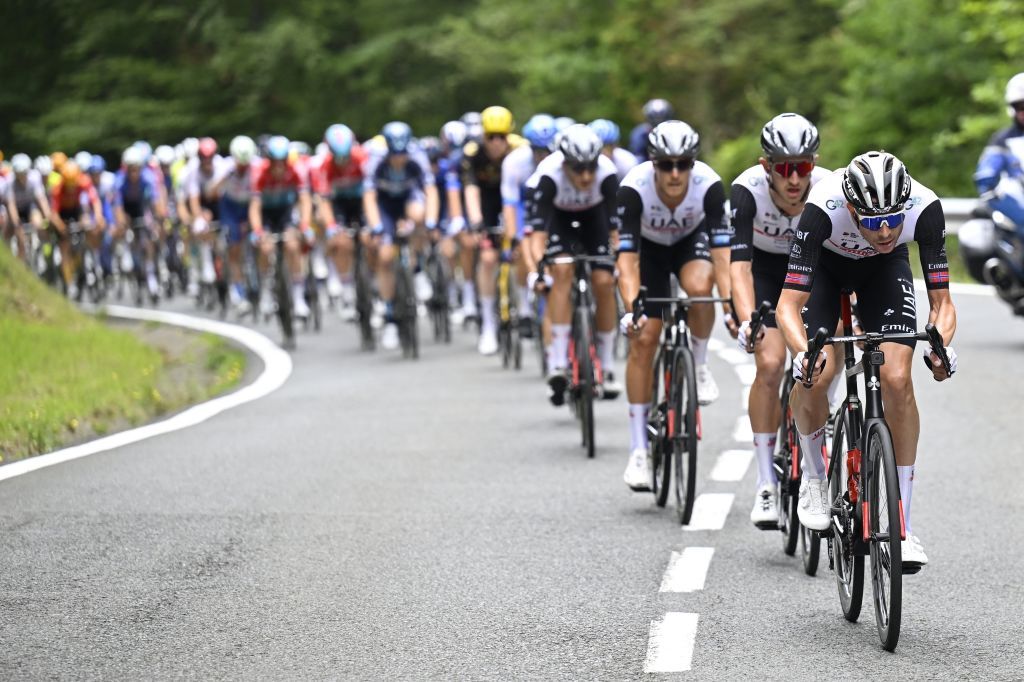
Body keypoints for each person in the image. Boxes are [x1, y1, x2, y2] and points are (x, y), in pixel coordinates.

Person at [776, 150, 958, 569]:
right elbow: (788, 306)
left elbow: (942, 303)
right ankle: (815, 481)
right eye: (874, 222)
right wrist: (803, 354)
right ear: (853, 208)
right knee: (815, 377)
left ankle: (903, 528)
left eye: (894, 219)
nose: (886, 230)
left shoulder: (925, 208)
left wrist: (942, 345)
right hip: (824, 270)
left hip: (882, 272)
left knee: (897, 379)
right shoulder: (823, 207)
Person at [727, 113, 831, 526]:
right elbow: (738, 267)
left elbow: (848, 258)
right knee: (770, 365)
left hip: (815, 272)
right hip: (767, 273)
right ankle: (766, 482)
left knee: (823, 367)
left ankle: (817, 428)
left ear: (814, 164)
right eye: (783, 169)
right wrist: (747, 318)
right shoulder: (745, 191)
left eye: (802, 167)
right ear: (765, 166)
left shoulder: (828, 189)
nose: (793, 179)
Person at [617, 120, 729, 490]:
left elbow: (723, 255)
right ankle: (638, 449)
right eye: (667, 165)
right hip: (648, 251)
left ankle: (697, 364)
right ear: (653, 164)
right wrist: (633, 307)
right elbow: (627, 260)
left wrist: (731, 308)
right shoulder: (633, 188)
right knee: (646, 337)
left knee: (700, 286)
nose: (676, 172)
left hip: (689, 243)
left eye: (684, 164)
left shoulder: (709, 186)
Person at [528, 124, 622, 403]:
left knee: (604, 282)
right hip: (560, 221)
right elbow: (537, 238)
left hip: (595, 221)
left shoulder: (607, 174)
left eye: (590, 167)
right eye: (578, 168)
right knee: (561, 271)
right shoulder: (547, 174)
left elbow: (617, 234)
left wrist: (620, 265)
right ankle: (557, 360)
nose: (585, 175)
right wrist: (538, 271)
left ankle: (606, 366)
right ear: (564, 163)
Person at [362, 121, 440, 350]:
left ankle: (416, 271)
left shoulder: (417, 156)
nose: (399, 159)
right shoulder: (375, 159)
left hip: (408, 198)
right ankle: (390, 319)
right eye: (395, 154)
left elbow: (430, 191)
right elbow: (369, 197)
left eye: (402, 154)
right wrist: (376, 226)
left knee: (419, 215)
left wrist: (431, 221)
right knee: (385, 256)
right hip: (385, 205)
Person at [459, 105, 525, 354]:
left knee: (521, 252)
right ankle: (487, 322)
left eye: (501, 137)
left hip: (515, 201)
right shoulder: (472, 153)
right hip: (487, 201)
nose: (496, 143)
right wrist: (476, 221)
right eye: (491, 137)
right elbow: (471, 189)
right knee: (487, 259)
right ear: (483, 135)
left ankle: (525, 308)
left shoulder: (520, 150)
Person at [249, 135, 314, 320]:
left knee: (293, 246)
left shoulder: (295, 170)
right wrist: (258, 230)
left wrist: (305, 225)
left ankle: (299, 297)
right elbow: (255, 206)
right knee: (266, 247)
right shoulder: (259, 172)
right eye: (274, 162)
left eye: (282, 162)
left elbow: (305, 200)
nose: (278, 167)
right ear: (268, 160)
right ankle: (266, 293)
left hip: (286, 212)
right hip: (267, 215)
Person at [312, 123, 369, 319]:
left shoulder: (362, 158)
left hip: (362, 202)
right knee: (341, 241)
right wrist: (331, 227)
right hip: (338, 205)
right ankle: (347, 291)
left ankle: (375, 285)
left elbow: (373, 193)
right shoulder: (324, 166)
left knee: (372, 239)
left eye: (346, 157)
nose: (343, 161)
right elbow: (324, 200)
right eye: (338, 157)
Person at [975, 72, 1024, 262]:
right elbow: (986, 171)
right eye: (1020, 107)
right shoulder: (1002, 140)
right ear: (1012, 109)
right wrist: (987, 186)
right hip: (1017, 200)